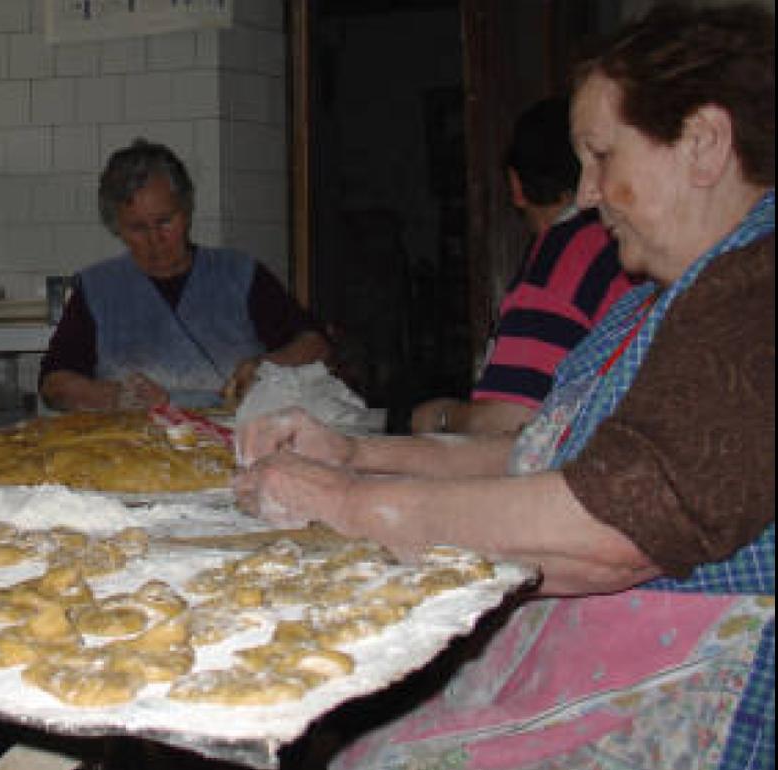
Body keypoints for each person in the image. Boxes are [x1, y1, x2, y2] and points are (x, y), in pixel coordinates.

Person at [234, 5, 773, 768]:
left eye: (601, 155)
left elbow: (611, 534)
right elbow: (540, 452)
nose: (585, 195)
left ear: (704, 143)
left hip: (685, 697)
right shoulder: (665, 298)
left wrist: (349, 505)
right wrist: (351, 455)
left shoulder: (758, 296)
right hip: (571, 657)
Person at [39, 139, 331, 412]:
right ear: (117, 227)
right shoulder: (98, 289)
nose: (155, 239)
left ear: (187, 210)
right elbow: (53, 384)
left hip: (240, 441)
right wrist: (112, 396)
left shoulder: (239, 274)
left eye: (165, 221)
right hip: (132, 448)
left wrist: (266, 366)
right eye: (138, 228)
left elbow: (315, 345)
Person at [411, 96, 636, 435]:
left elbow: (512, 421)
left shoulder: (566, 255)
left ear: (516, 185)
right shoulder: (623, 243)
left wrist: (440, 417)